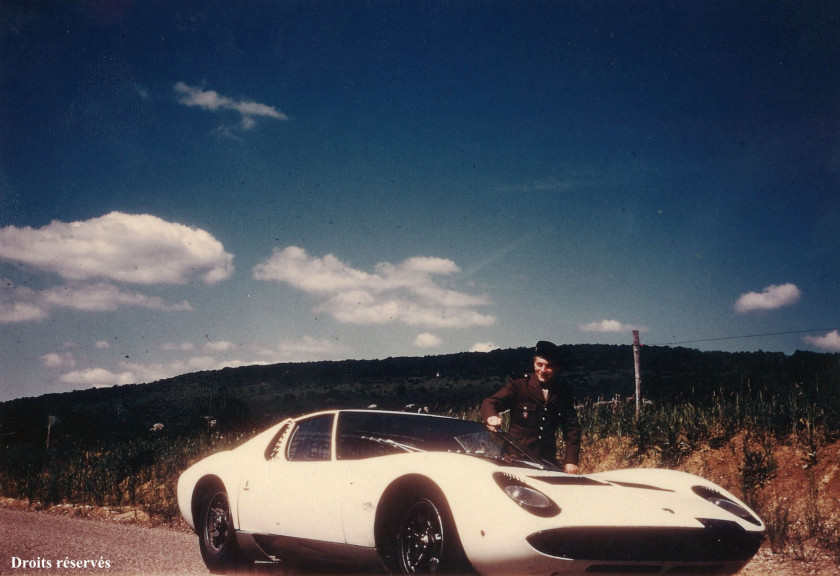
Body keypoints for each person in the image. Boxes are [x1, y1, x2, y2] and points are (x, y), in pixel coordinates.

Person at [481, 340, 581, 474]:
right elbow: (490, 403)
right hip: (515, 460)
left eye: (549, 366)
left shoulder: (562, 392)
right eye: (539, 365)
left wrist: (571, 460)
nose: (543, 370)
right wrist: (491, 416)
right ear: (534, 362)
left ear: (556, 367)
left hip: (546, 461)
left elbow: (571, 428)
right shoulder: (520, 386)